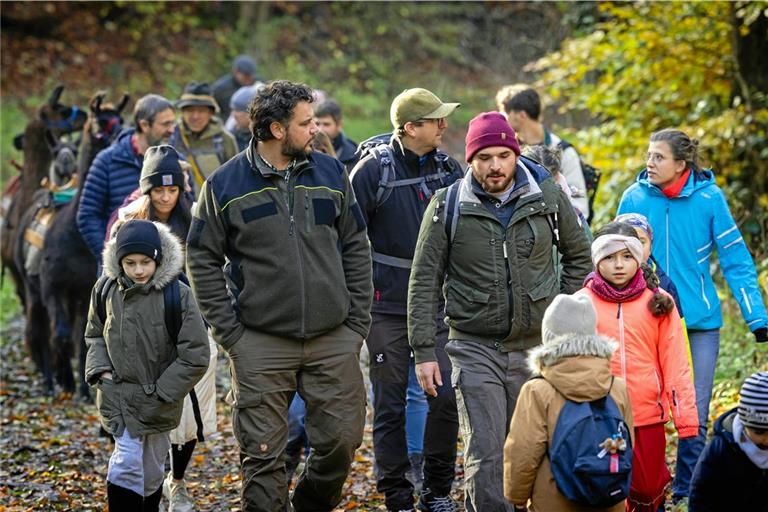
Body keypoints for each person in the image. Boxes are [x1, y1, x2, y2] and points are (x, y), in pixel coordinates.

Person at [186, 80, 372, 512]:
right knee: (263, 454)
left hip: (333, 339)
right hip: (260, 341)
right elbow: (201, 260)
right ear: (274, 129)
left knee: (341, 444)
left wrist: (356, 323)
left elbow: (357, 247)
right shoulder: (224, 184)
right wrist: (231, 336)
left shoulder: (331, 173)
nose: (315, 130)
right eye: (305, 123)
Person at [408, 111, 592, 511]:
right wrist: (424, 351)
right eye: (485, 156)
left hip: (538, 349)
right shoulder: (448, 205)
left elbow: (579, 256)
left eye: (503, 155)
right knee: (487, 452)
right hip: (474, 347)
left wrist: (560, 315)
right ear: (471, 159)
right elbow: (424, 280)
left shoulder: (546, 195)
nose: (495, 166)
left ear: (515, 154)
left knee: (534, 446)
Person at [616, 128, 768, 506]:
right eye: (648, 155)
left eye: (658, 157)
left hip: (699, 322)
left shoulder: (710, 199)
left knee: (694, 411)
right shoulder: (634, 197)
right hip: (646, 318)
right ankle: (635, 486)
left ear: (681, 164)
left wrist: (756, 316)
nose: (649, 163)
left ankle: (687, 489)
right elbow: (615, 253)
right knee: (640, 405)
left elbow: (735, 260)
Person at [351, 87, 464, 512]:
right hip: (385, 308)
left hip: (437, 307)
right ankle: (396, 493)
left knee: (446, 397)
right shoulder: (370, 172)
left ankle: (437, 490)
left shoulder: (449, 169)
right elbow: (345, 237)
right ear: (411, 127)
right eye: (436, 120)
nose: (444, 126)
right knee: (391, 400)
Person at [84, 219, 209, 512]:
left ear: (158, 258)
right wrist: (101, 371)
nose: (138, 270)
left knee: (152, 470)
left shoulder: (177, 295)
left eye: (145, 262)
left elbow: (196, 353)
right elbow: (94, 334)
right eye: (130, 263)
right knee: (125, 463)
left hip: (158, 401)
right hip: (118, 396)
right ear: (119, 261)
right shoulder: (105, 290)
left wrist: (163, 391)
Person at [577, 222, 698, 512]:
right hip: (601, 414)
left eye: (627, 256)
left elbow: (676, 363)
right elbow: (571, 363)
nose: (619, 265)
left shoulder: (659, 303)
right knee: (610, 486)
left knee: (648, 487)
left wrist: (686, 419)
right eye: (609, 257)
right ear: (596, 260)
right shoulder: (581, 302)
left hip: (648, 415)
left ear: (639, 259)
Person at [503, 294, 634, 511]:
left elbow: (524, 450)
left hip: (555, 500)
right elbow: (628, 444)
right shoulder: (616, 387)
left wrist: (516, 495)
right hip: (609, 496)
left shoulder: (537, 389)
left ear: (549, 338)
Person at [78, 94, 176, 268]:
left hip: (167, 271)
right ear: (144, 125)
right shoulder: (107, 161)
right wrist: (112, 256)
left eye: (172, 123)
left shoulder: (176, 161)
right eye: (165, 124)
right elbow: (88, 215)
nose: (172, 129)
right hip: (119, 273)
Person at [496, 84, 590, 219]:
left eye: (505, 112)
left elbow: (579, 205)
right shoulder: (505, 152)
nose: (501, 117)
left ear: (521, 115)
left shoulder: (564, 152)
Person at [688, 371, 768, 512]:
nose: (766, 439)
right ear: (744, 425)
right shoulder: (721, 449)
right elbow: (701, 494)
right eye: (759, 432)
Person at [170, 82, 238, 197]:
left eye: (201, 111)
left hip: (214, 209)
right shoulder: (171, 138)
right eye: (190, 110)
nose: (195, 116)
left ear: (211, 113)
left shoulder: (224, 140)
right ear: (182, 112)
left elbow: (236, 178)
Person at [212, 54, 259, 121]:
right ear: (236, 71)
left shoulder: (258, 85)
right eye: (246, 75)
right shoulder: (221, 89)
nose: (249, 78)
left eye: (251, 75)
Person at [315, 99, 359, 170]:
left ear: (339, 125)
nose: (320, 130)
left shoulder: (353, 154)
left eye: (326, 124)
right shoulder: (306, 149)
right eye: (317, 124)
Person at [227, 85, 260, 151]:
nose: (234, 115)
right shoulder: (231, 136)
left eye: (238, 110)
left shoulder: (263, 138)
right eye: (233, 110)